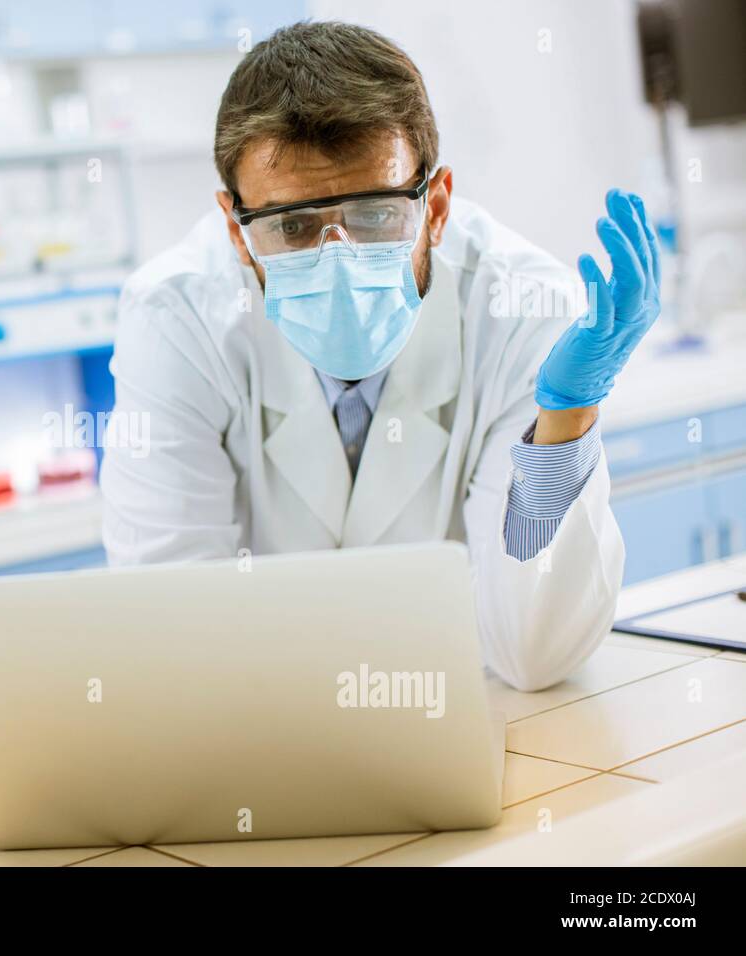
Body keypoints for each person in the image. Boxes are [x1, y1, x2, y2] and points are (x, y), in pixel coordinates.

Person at [99, 21, 661, 692]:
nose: (336, 258)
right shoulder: (175, 320)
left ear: (439, 204)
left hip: (466, 733)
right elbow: (172, 638)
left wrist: (564, 422)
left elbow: (533, 652)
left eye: (373, 216)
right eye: (292, 226)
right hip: (258, 750)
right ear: (235, 230)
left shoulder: (520, 308)